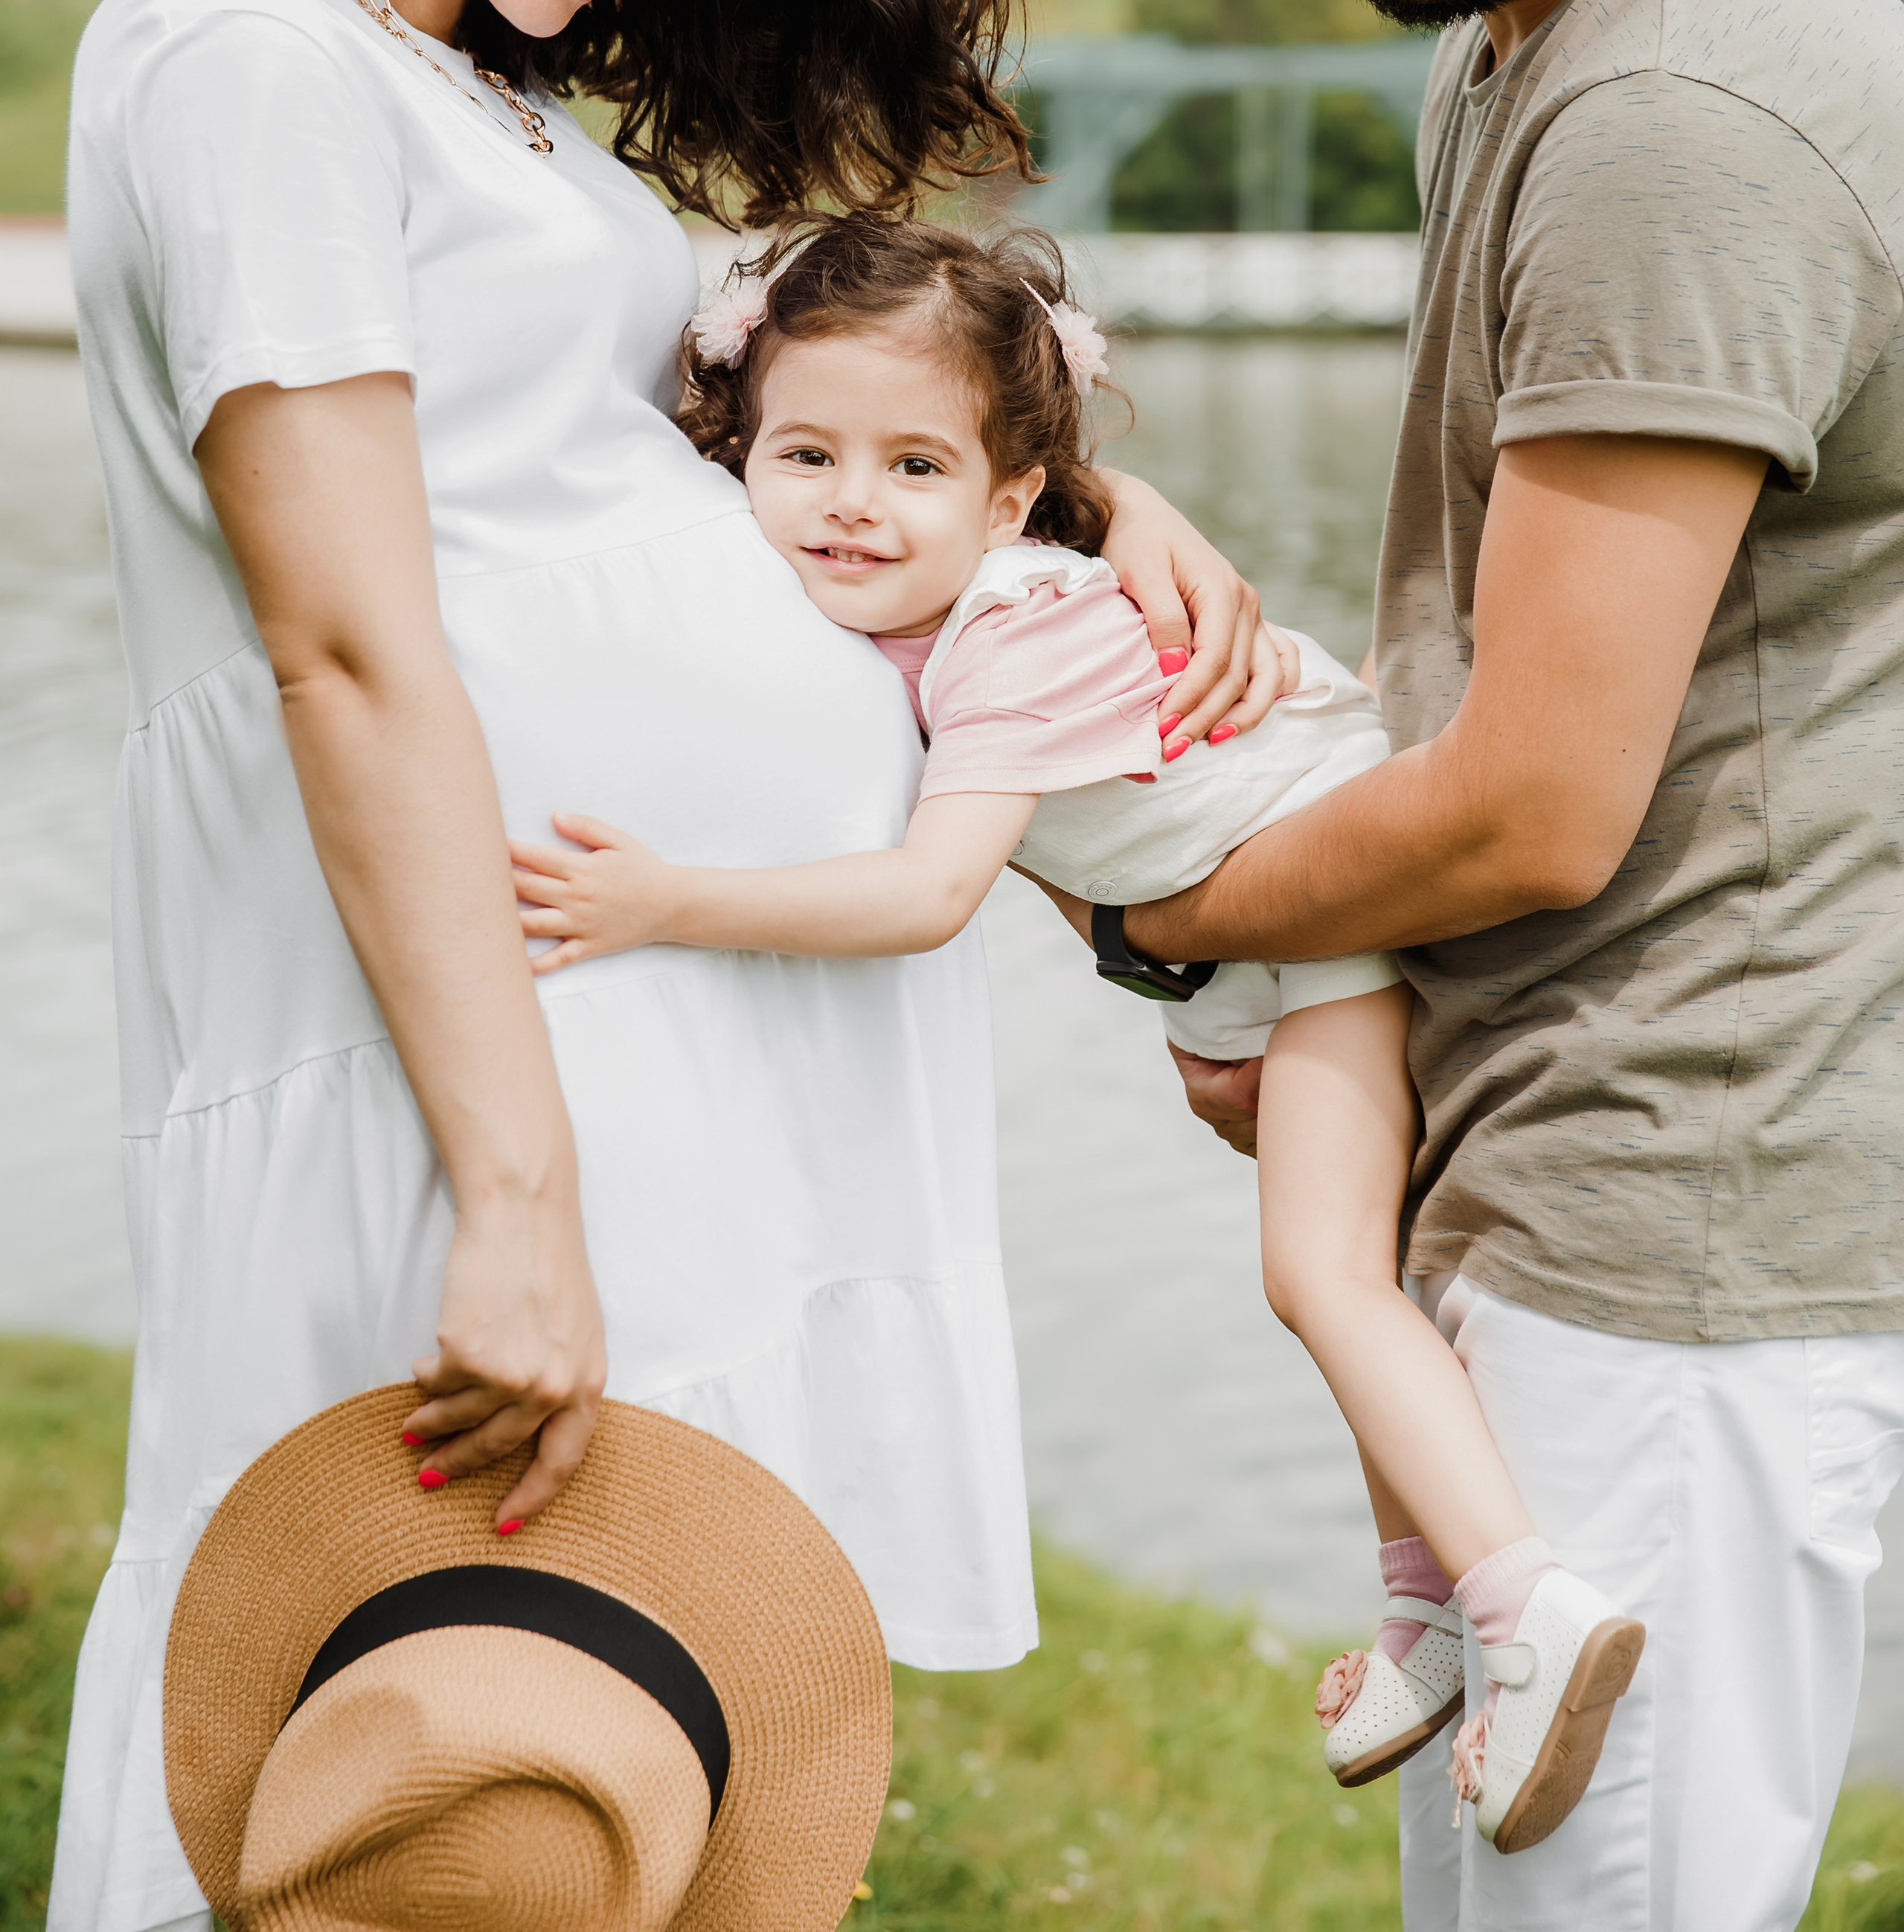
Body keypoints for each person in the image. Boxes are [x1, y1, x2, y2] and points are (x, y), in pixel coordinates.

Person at [52, 0, 1268, 1932]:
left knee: (590, 1773)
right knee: (398, 1762)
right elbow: (350, 642)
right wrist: (518, 1191)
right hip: (450, 1063)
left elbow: (727, 457)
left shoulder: (474, 100)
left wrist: (1058, 504)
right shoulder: (248, 57)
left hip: (622, 1034)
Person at [1060, 0, 1904, 1931]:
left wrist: (1176, 919)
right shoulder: (1523, 24)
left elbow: (1536, 805)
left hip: (1679, 1220)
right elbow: (1490, 656)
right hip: (1555, 1152)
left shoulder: (1686, 120)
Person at [506, 214, 1647, 1858]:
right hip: (1270, 938)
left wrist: (665, 899)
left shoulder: (1014, 626)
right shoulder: (890, 593)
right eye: (805, 453)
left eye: (912, 467)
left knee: (1319, 1276)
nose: (850, 501)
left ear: (1009, 500)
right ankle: (1432, 1619)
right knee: (1356, 1275)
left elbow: (930, 890)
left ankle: (1520, 1597)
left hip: (1341, 917)